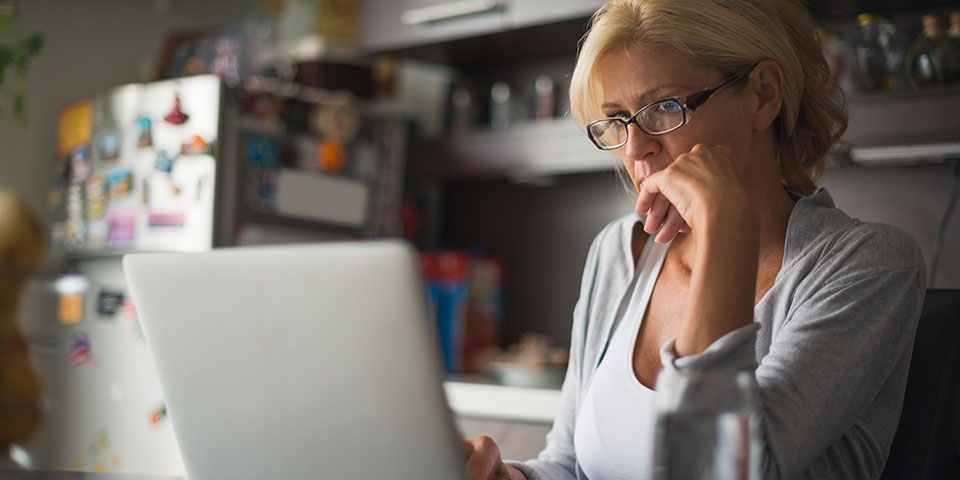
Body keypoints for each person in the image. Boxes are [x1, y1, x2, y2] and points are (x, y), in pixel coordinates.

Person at [463, 0, 927, 478]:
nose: (635, 146)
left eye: (663, 106)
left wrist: (725, 226)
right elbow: (570, 463)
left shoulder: (870, 265)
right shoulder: (619, 251)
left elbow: (717, 467)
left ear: (763, 94)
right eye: (617, 119)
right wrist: (510, 478)